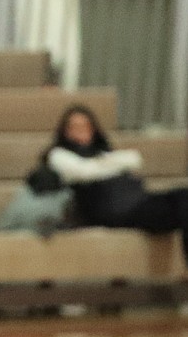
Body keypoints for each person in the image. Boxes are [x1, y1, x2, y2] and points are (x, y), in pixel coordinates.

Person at [42, 103, 188, 262]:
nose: (81, 130)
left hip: (137, 202)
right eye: (75, 126)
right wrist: (109, 163)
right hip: (111, 211)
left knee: (183, 197)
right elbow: (84, 171)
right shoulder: (58, 154)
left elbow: (134, 159)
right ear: (65, 130)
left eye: (86, 125)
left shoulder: (102, 151)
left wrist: (104, 163)